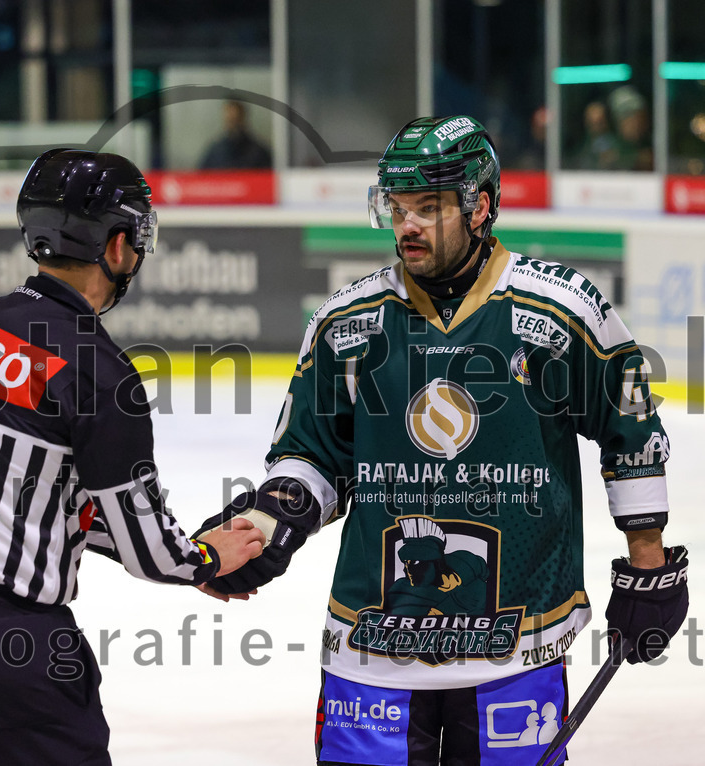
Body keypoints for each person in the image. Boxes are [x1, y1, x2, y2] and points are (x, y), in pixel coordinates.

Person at [196, 116, 689, 765]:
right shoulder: (349, 323)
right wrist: (270, 520)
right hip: (372, 647)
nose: (408, 225)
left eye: (428, 208)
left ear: (480, 206)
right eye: (397, 207)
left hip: (517, 645)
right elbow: (313, 454)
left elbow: (631, 431)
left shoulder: (559, 311)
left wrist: (647, 559)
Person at [0, 148, 265, 765]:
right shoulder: (100, 372)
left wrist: (166, 553)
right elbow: (147, 547)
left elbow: (15, 493)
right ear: (118, 246)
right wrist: (202, 557)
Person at [199, 99, 272, 170]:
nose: (233, 125)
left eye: (235, 120)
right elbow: (202, 177)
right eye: (230, 120)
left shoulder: (258, 153)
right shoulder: (214, 153)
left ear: (243, 119)